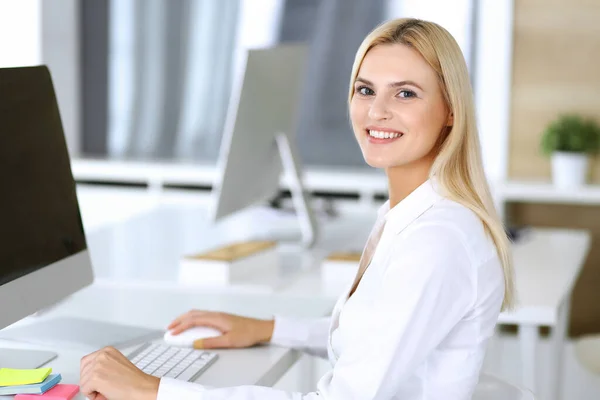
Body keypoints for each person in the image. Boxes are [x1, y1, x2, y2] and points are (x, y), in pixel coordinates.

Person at [79, 18, 515, 400]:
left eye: (405, 93)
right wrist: (270, 329)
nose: (376, 111)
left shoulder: (436, 242)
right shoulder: (410, 213)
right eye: (365, 90)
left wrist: (154, 391)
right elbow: (374, 336)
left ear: (451, 111)